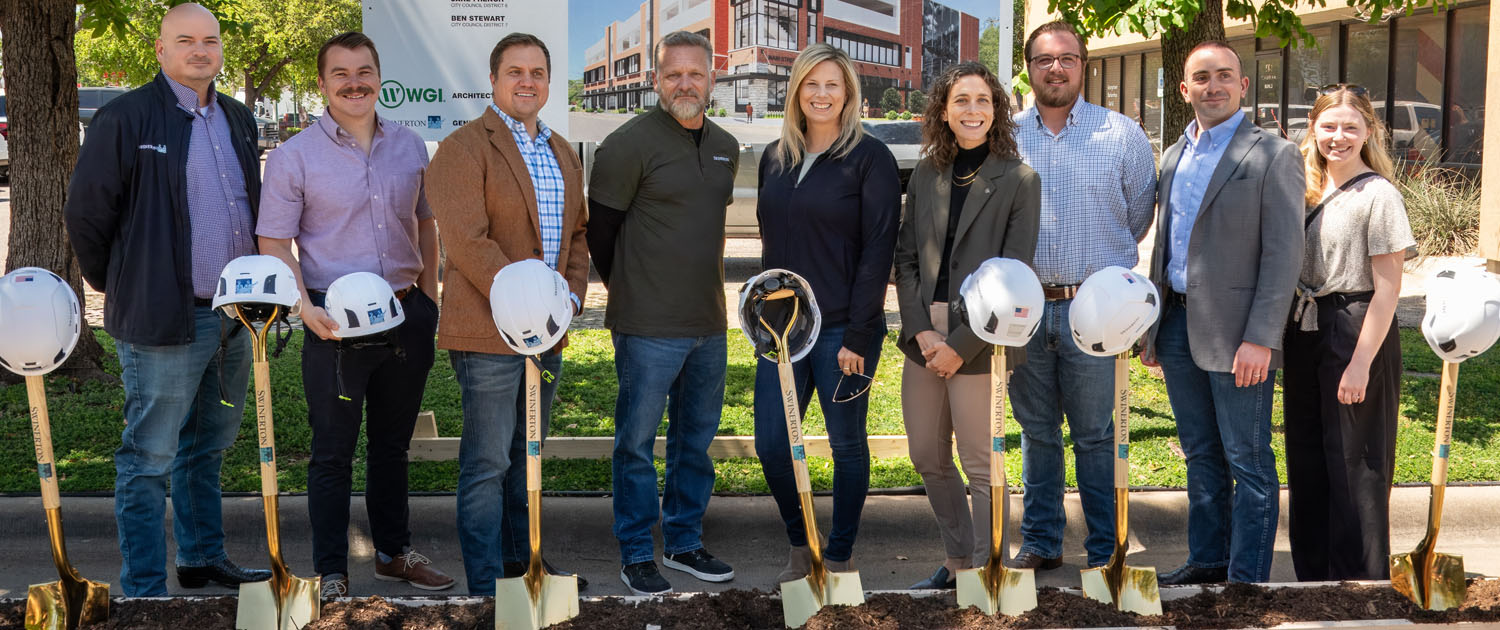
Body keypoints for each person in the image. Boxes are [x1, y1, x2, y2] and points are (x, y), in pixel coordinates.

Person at [62, 3, 271, 597]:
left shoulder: (238, 117)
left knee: (207, 446)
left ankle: (201, 558)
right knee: (148, 458)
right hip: (162, 318)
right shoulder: (125, 117)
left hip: (235, 317)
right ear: (161, 49)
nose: (200, 50)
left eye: (210, 40)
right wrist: (125, 281)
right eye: (185, 40)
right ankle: (145, 590)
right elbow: (86, 214)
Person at [255, 32, 453, 597]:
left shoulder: (410, 146)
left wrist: (429, 297)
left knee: (392, 446)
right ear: (322, 83)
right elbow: (274, 242)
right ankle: (332, 572)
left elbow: (426, 222)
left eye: (364, 71)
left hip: (406, 318)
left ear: (379, 77)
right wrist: (304, 308)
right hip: (333, 325)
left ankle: (393, 553)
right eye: (340, 73)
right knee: (332, 454)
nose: (354, 83)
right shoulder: (294, 156)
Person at [425, 32, 590, 595]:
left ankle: (525, 568)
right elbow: (466, 241)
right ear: (493, 80)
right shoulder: (463, 148)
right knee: (488, 463)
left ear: (549, 82)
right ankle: (486, 585)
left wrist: (569, 298)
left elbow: (578, 236)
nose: (527, 81)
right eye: (515, 71)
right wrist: (527, 299)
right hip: (488, 333)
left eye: (537, 72)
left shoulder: (563, 150)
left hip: (547, 334)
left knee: (527, 458)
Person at [1142, 41, 1305, 585]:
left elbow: (1284, 255)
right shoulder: (1173, 154)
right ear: (1184, 88)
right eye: (1201, 77)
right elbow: (1165, 246)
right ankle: (1207, 561)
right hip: (1176, 326)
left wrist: (1262, 337)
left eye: (1224, 76)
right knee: (1200, 455)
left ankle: (1246, 580)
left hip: (1240, 338)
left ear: (1242, 85)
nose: (1213, 86)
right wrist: (1152, 329)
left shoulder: (1273, 154)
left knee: (1247, 460)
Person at [586, 30, 739, 596]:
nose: (685, 84)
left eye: (695, 73)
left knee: (693, 444)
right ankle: (635, 552)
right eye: (673, 74)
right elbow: (600, 235)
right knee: (636, 445)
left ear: (712, 79)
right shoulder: (626, 145)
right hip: (646, 327)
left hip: (709, 324)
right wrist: (632, 290)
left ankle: (683, 541)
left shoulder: (726, 146)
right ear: (655, 80)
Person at [1006, 21, 1157, 572]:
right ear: (1029, 68)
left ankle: (1104, 550)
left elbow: (1138, 217)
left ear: (1083, 65)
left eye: (1067, 58)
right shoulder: (1005, 135)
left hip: (1096, 310)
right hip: (1023, 309)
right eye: (1045, 59)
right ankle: (1042, 542)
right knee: (1037, 432)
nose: (1056, 68)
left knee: (1095, 434)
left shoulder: (1121, 134)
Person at [753, 43, 901, 584]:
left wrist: (859, 334)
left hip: (844, 328)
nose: (821, 94)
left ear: (848, 94)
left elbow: (879, 250)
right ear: (796, 90)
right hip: (782, 331)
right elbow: (771, 244)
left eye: (832, 85)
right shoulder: (775, 157)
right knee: (771, 442)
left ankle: (838, 557)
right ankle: (802, 545)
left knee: (846, 444)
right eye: (811, 84)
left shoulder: (870, 158)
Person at [893, 61, 1041, 590]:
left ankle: (988, 569)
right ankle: (958, 560)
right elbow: (906, 259)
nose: (972, 109)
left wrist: (958, 344)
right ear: (943, 111)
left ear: (997, 110)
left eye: (983, 100)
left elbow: (1016, 277)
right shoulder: (926, 173)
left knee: (980, 463)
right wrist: (922, 331)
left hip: (984, 334)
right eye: (961, 100)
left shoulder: (1020, 180)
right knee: (926, 455)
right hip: (924, 332)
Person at [1283, 84, 1413, 582]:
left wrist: (1360, 364)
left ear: (1368, 132)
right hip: (1305, 329)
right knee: (1308, 457)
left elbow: (1388, 289)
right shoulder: (1303, 189)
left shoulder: (1378, 195)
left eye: (1350, 127)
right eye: (1329, 126)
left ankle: (1359, 584)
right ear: (1313, 129)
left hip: (1355, 327)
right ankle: (1314, 581)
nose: (1338, 137)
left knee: (1355, 462)